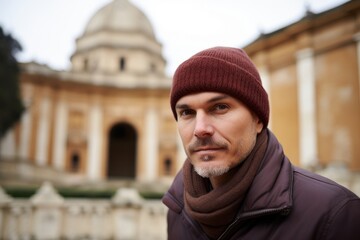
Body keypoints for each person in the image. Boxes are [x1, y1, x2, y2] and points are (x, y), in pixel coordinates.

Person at [162, 46, 360, 240]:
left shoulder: (334, 214)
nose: (200, 129)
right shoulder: (178, 207)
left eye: (220, 107)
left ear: (258, 120)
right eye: (187, 112)